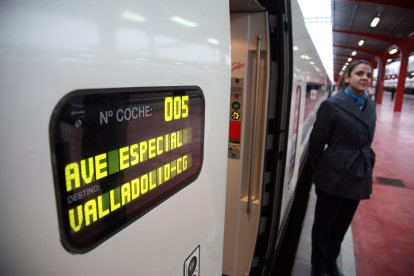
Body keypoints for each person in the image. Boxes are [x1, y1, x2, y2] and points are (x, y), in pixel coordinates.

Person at [309, 60, 377, 276]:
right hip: (334, 174)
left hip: (358, 174)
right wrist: (320, 173)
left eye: (368, 75)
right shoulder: (332, 105)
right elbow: (317, 142)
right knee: (324, 226)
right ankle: (319, 267)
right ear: (347, 77)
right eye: (359, 73)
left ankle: (331, 262)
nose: (365, 78)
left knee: (341, 225)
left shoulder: (370, 104)